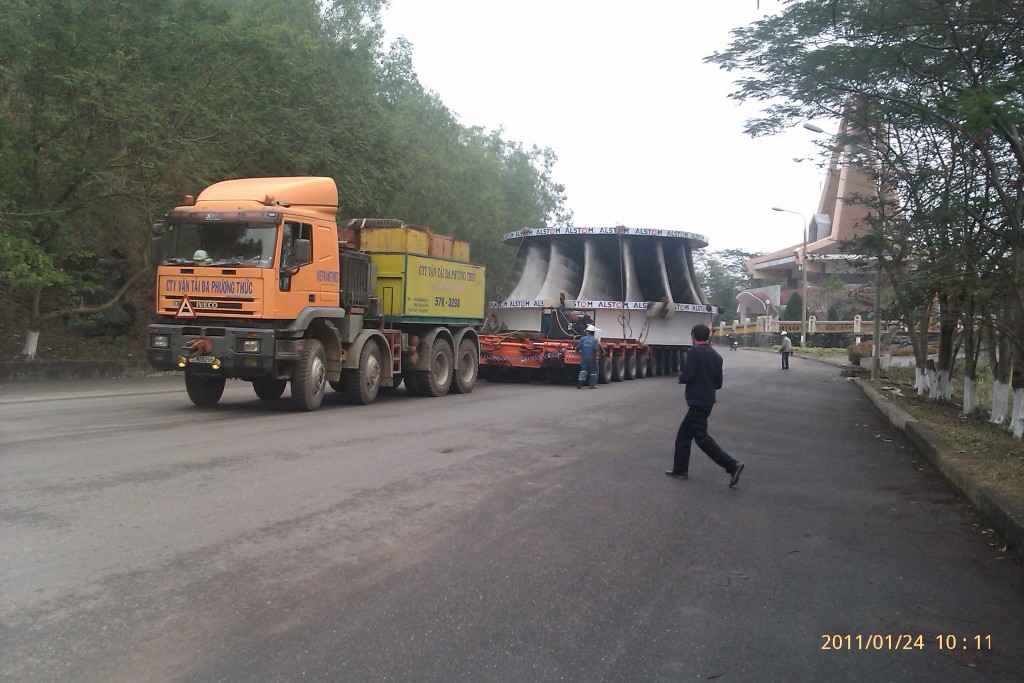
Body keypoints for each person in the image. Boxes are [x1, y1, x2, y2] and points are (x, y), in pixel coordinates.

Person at [665, 323, 744, 487]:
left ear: (693, 335)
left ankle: (731, 465)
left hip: (697, 401)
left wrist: (681, 378)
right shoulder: (716, 356)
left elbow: (688, 375)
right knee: (685, 435)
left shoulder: (694, 352)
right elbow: (718, 384)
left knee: (701, 438)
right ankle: (680, 470)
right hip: (707, 400)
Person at [575, 324, 600, 389]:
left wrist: (578, 351)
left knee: (583, 369)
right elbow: (596, 349)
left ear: (587, 331)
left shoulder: (582, 339)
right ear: (593, 332)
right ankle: (592, 385)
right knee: (593, 371)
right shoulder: (595, 340)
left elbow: (577, 348)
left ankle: (580, 379)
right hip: (592, 358)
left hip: (584, 357)